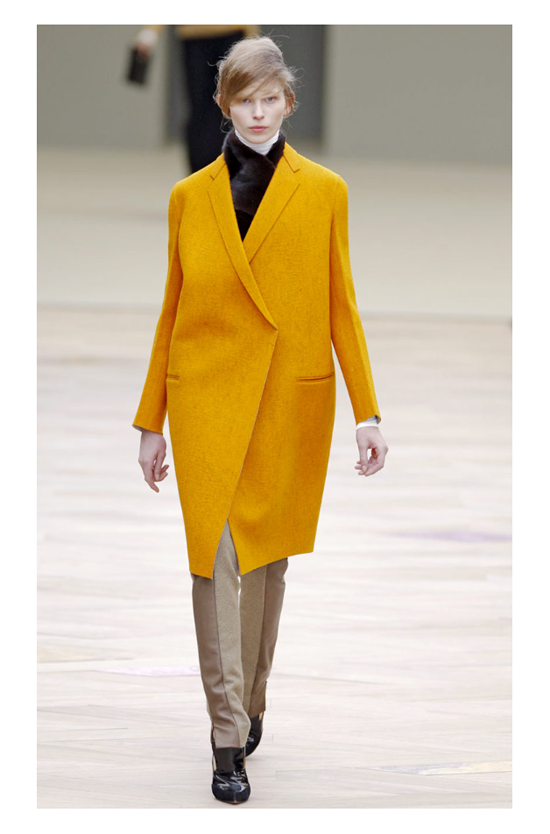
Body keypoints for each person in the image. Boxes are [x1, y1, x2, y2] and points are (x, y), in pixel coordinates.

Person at [133, 35, 388, 805]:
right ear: (225, 105)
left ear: (288, 103)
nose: (256, 112)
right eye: (243, 100)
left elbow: (341, 304)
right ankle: (225, 737)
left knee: (266, 567)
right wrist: (151, 421)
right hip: (206, 400)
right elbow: (172, 309)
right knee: (213, 564)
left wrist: (368, 411)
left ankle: (251, 703)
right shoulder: (189, 198)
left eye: (268, 99)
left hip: (285, 401)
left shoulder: (325, 192)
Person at [133, 25, 260, 172]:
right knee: (200, 110)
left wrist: (252, 39)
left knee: (232, 107)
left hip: (232, 34)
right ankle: (201, 174)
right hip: (194, 36)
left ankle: (230, 169)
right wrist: (151, 31)